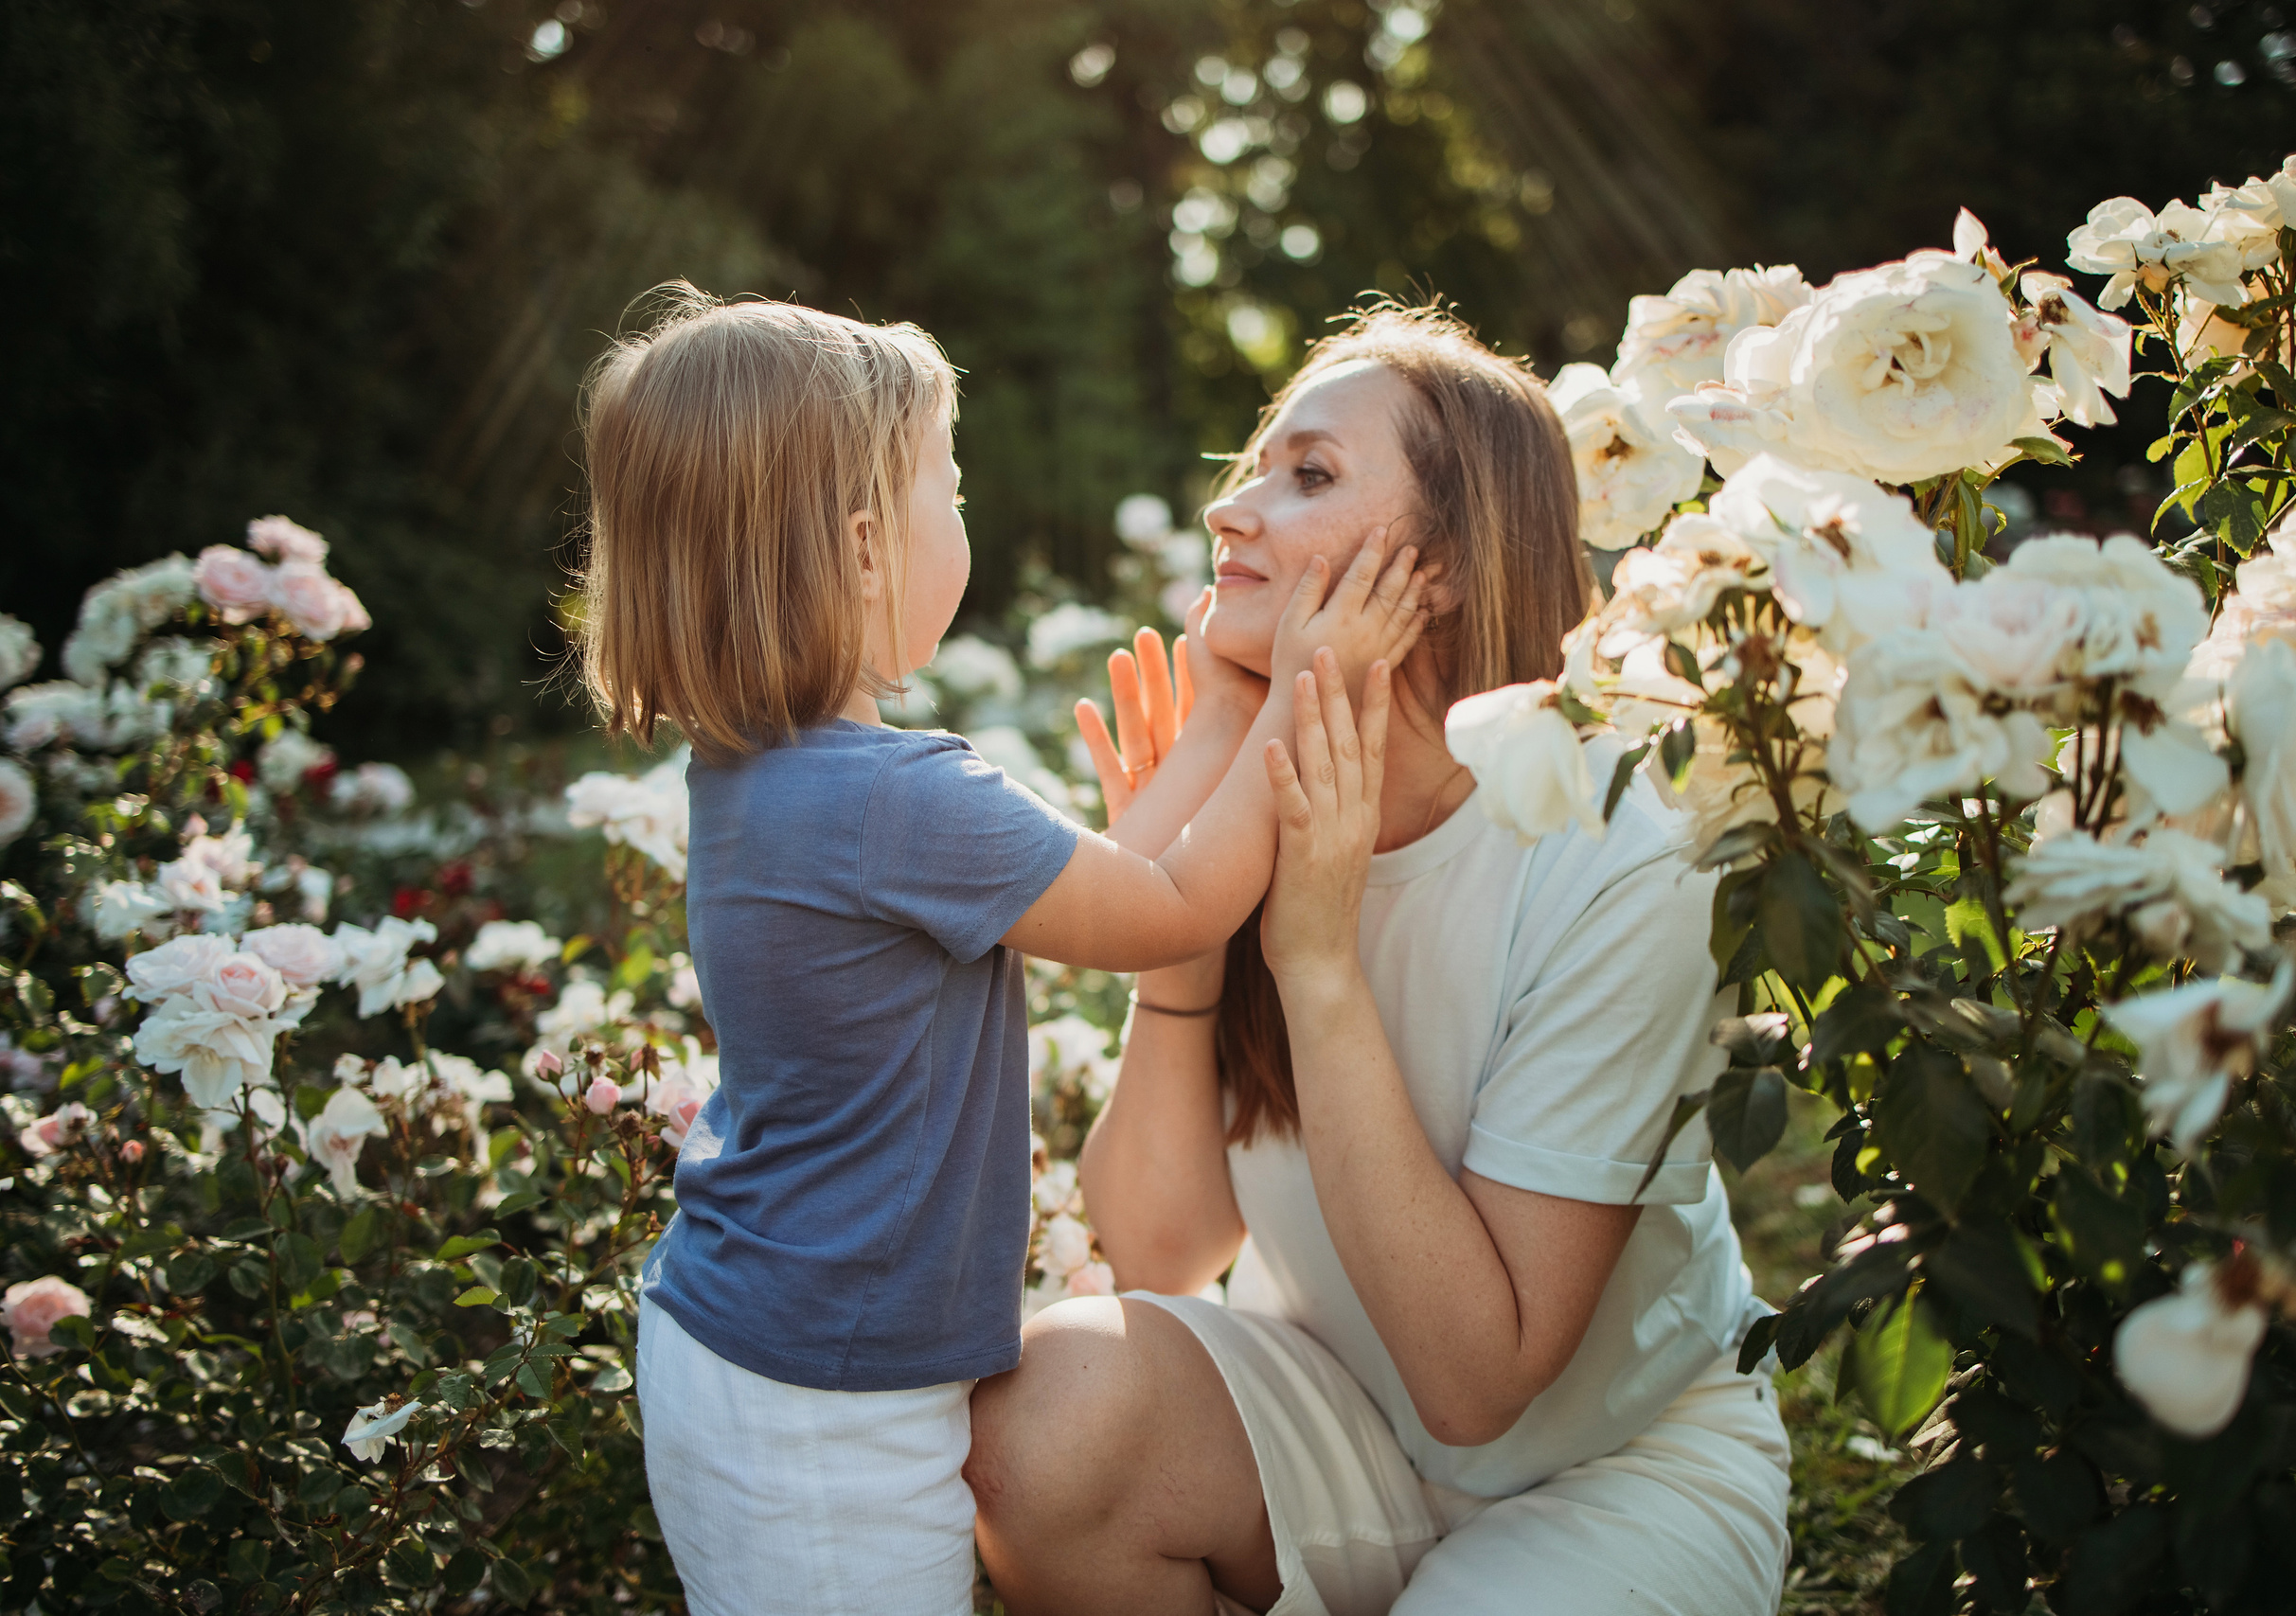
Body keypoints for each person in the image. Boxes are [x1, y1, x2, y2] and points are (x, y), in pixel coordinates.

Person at [574, 285, 1427, 1616]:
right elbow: (1171, 912)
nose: (959, 518)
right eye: (948, 489)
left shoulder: (788, 779)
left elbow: (1102, 889)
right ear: (866, 548)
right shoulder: (887, 796)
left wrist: (1217, 719)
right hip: (825, 1407)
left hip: (769, 1354)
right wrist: (1303, 691)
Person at [967, 304, 1792, 1616]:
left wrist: (1318, 960)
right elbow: (1158, 1254)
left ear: (1450, 567)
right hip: (1332, 1414)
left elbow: (1480, 1385)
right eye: (1255, 468)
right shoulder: (1241, 822)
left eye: (1308, 477)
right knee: (1048, 1425)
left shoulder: (1622, 851)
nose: (1233, 511)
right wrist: (1179, 932)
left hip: (1612, 1474)